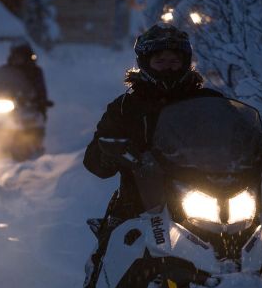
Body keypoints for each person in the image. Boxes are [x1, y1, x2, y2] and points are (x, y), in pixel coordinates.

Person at [83, 24, 223, 226]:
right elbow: (94, 160)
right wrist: (109, 153)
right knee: (114, 246)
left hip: (204, 198)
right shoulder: (125, 107)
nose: (168, 67)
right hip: (139, 204)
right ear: (146, 63)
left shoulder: (208, 102)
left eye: (174, 61)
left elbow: (236, 132)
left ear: (185, 62)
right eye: (160, 61)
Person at [0, 41, 51, 117]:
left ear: (26, 57)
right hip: (7, 106)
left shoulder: (35, 72)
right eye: (16, 56)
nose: (18, 59)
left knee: (34, 122)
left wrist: (39, 101)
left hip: (27, 108)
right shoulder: (6, 70)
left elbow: (40, 90)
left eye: (21, 56)